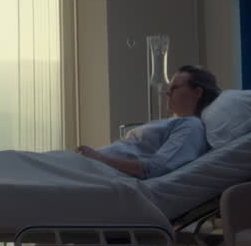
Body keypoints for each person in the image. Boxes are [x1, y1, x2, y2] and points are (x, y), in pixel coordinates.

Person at [76, 65, 221, 179]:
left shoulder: (192, 126)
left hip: (97, 171)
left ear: (197, 92)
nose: (167, 92)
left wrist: (99, 158)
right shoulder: (174, 122)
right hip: (90, 167)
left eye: (174, 87)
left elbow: (154, 168)